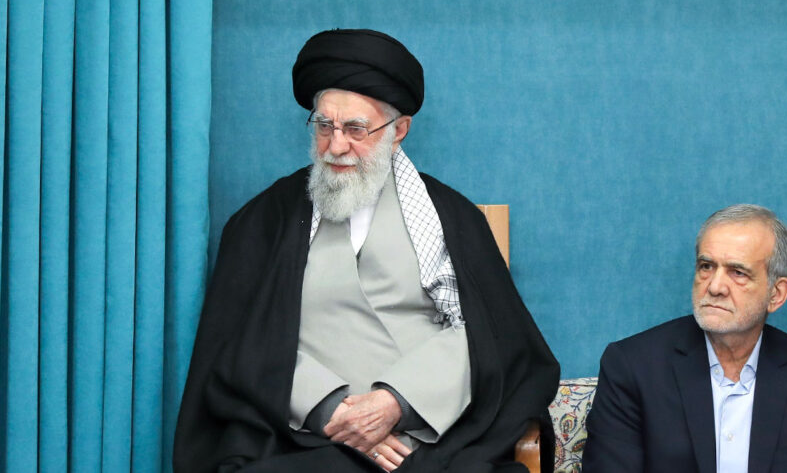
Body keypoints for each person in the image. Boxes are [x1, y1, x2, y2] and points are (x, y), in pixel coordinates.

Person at [174, 29, 559, 473]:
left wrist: (398, 404)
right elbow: (242, 341)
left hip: (428, 441)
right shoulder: (263, 220)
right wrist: (330, 412)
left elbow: (489, 336)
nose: (336, 146)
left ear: (399, 131)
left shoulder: (451, 218)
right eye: (324, 126)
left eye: (355, 129)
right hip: (302, 438)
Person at [582, 204, 787, 473]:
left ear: (776, 294)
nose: (715, 286)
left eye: (738, 272)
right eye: (706, 266)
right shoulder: (632, 367)